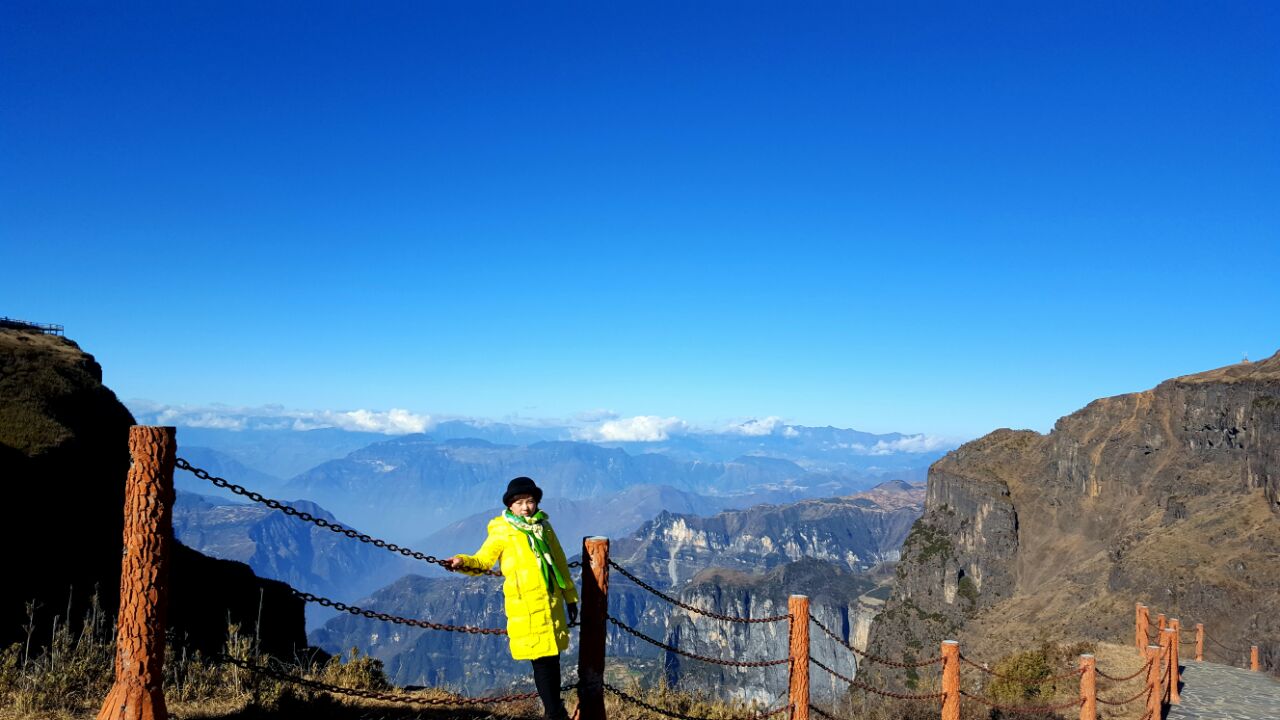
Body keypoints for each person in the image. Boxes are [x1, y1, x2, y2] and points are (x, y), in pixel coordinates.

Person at [443, 476, 578, 720]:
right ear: (510, 505)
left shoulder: (543, 527)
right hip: (526, 606)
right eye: (519, 502)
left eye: (530, 501)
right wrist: (462, 562)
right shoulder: (502, 530)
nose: (526, 507)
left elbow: (559, 562)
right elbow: (483, 560)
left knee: (552, 659)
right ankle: (554, 713)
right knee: (542, 660)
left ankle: (555, 710)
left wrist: (570, 597)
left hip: (551, 603)